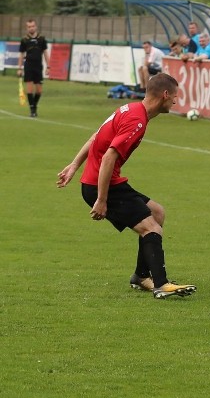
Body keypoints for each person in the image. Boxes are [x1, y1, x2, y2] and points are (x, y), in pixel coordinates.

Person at [56, 73, 197, 299]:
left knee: (157, 213)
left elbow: (96, 136)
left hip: (107, 182)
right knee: (152, 228)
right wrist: (101, 199)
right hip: (101, 185)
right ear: (165, 94)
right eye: (175, 97)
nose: (175, 102)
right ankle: (161, 285)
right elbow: (108, 157)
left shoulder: (129, 108)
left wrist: (74, 165)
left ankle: (141, 277)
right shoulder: (137, 121)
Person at [17, 19, 50, 117]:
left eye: (32, 26)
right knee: (30, 89)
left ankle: (34, 105)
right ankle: (32, 110)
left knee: (39, 90)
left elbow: (45, 53)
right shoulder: (24, 40)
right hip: (28, 66)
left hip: (38, 66)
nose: (31, 28)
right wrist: (19, 68)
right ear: (27, 28)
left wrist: (48, 66)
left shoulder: (41, 39)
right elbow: (21, 54)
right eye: (29, 27)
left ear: (35, 27)